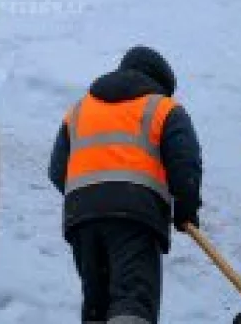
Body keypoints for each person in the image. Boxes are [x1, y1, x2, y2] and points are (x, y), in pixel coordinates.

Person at [48, 46, 202, 324]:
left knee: (97, 305)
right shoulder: (163, 108)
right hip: (134, 216)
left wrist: (89, 196)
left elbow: (57, 170)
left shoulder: (80, 110)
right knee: (132, 301)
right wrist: (186, 210)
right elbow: (185, 163)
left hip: (82, 219)